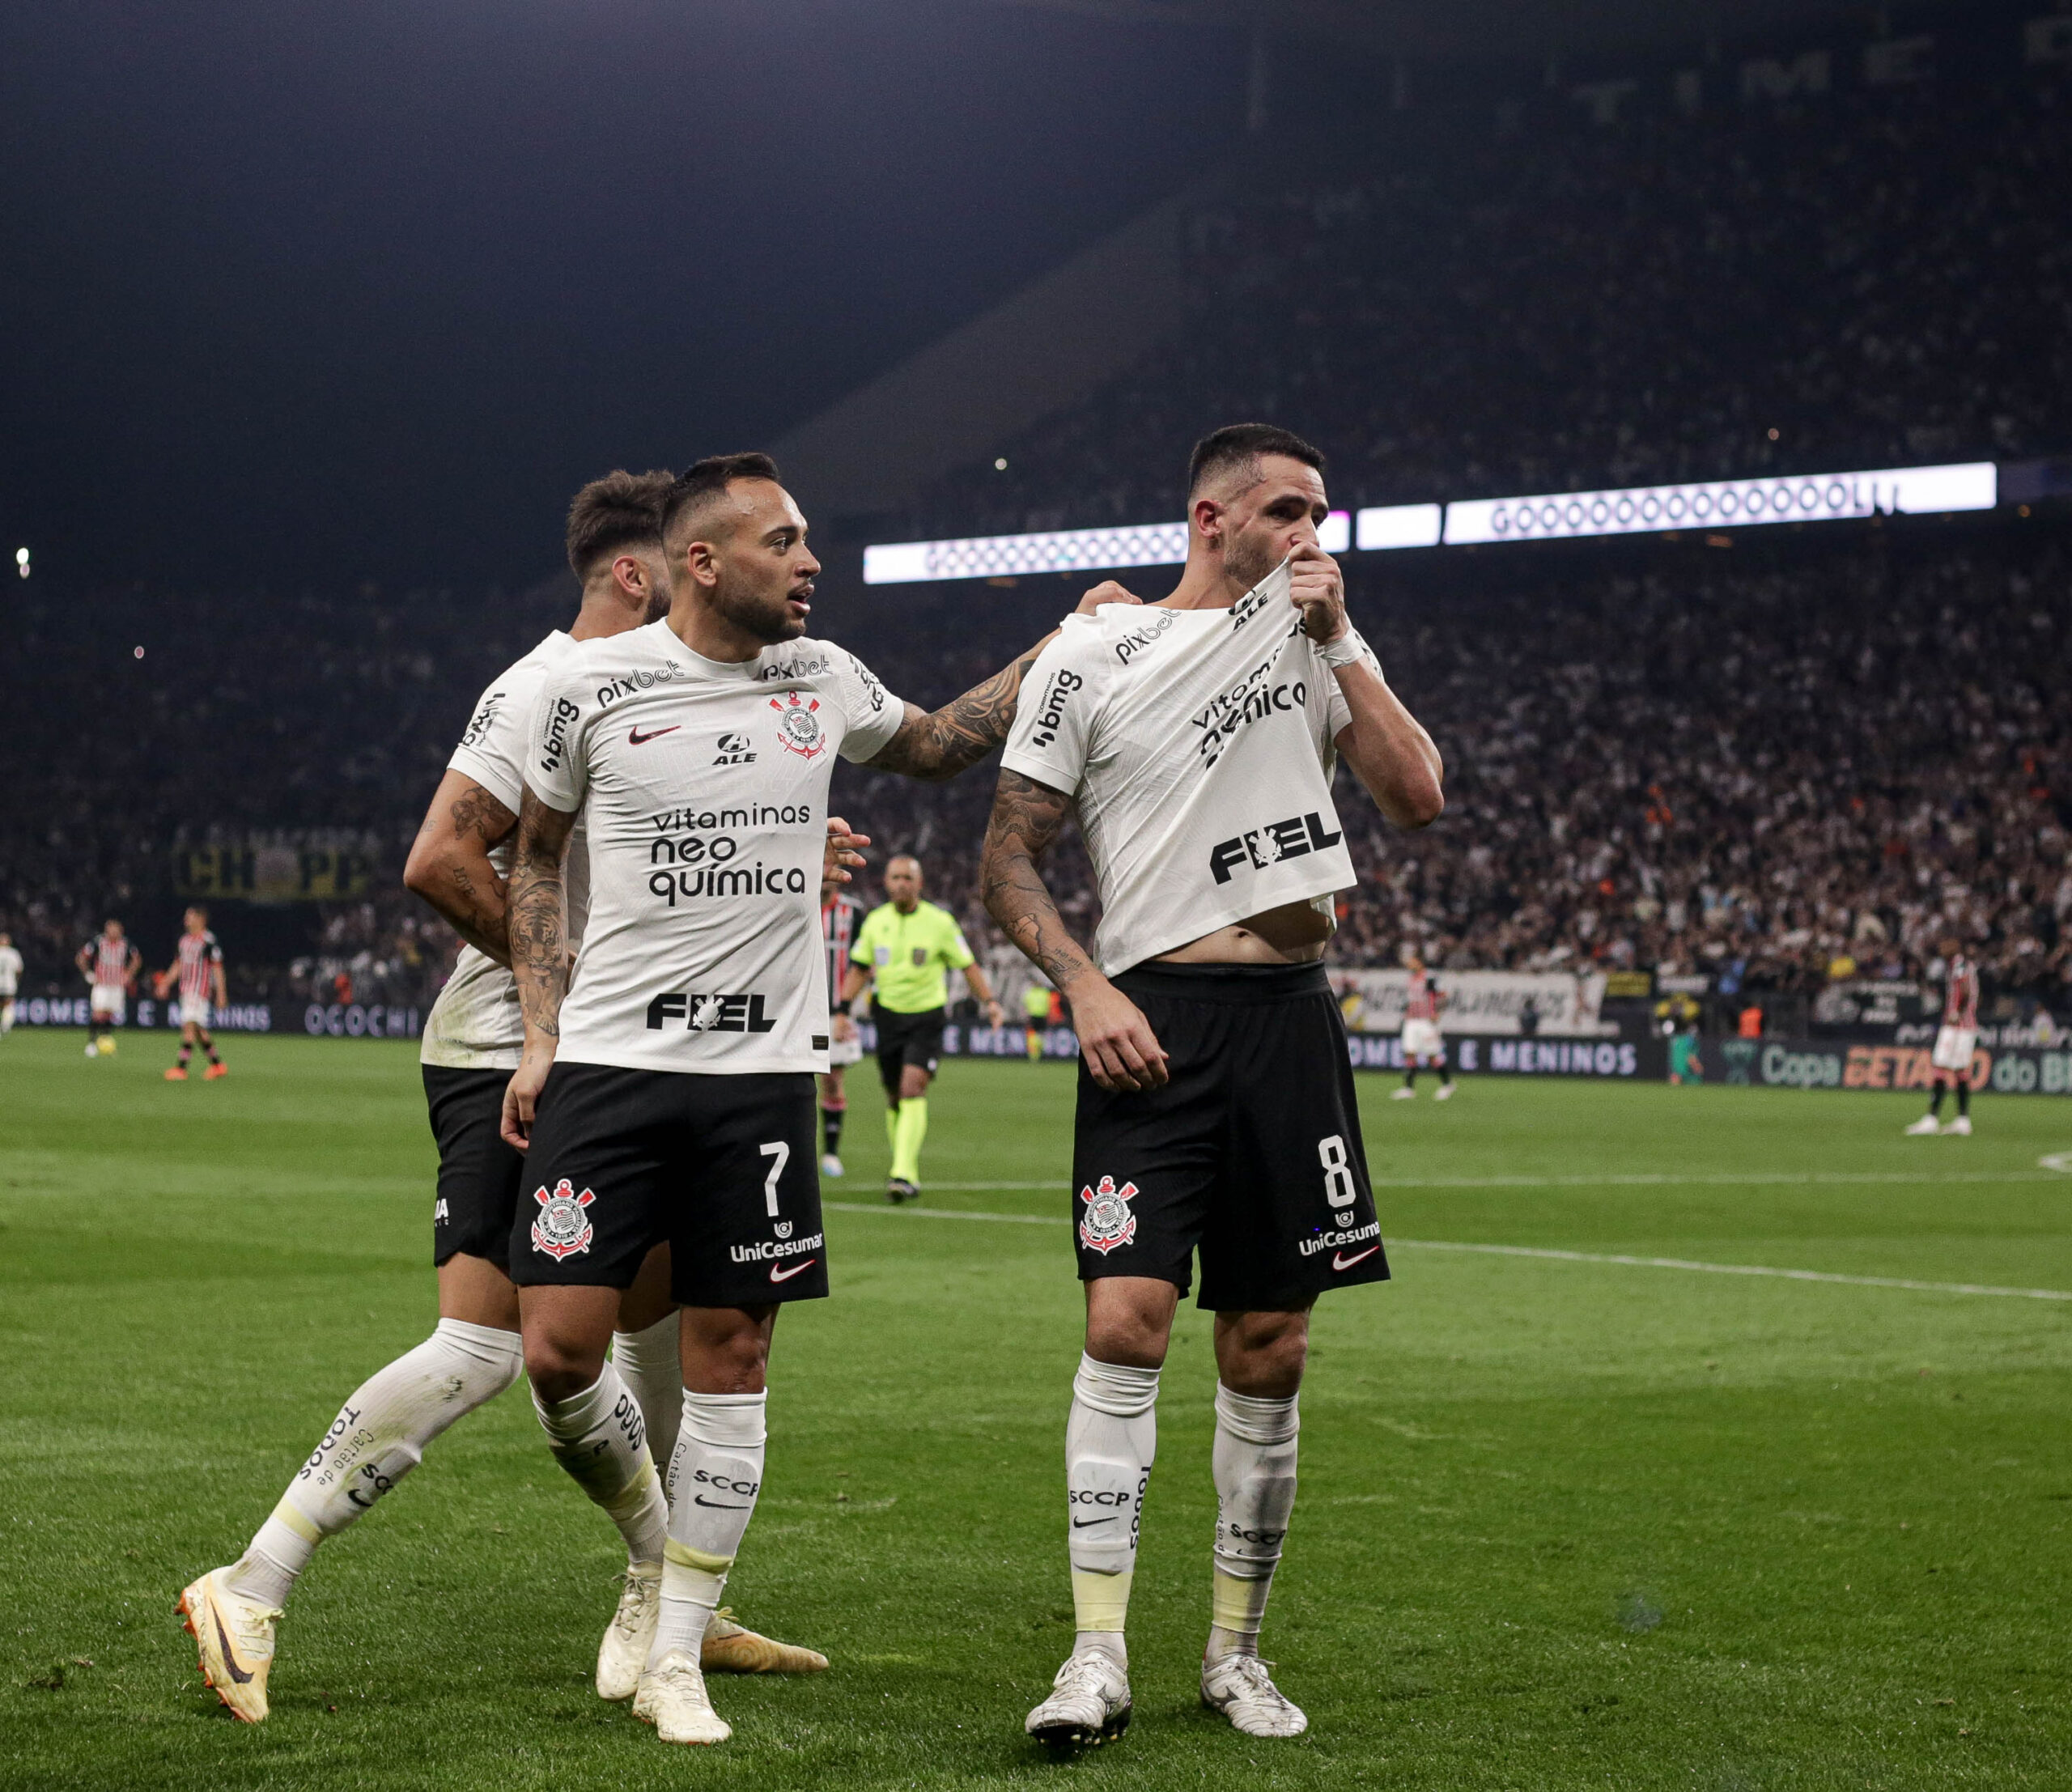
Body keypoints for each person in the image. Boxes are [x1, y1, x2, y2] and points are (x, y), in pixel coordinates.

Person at [176, 471, 822, 1726]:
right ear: (640, 575)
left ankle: (678, 1596)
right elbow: (438, 857)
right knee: (488, 1344)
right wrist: (569, 1003)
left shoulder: (663, 698)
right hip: (510, 1050)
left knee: (668, 1317)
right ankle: (252, 1581)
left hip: (635, 1058)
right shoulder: (545, 688)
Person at [497, 452, 1083, 1747]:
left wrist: (1065, 638)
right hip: (609, 1064)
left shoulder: (820, 678)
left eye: (809, 537)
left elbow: (935, 744)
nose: (812, 559)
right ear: (703, 559)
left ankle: (677, 1647)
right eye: (785, 539)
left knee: (735, 1357)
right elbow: (535, 859)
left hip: (760, 1080)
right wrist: (539, 1034)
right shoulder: (586, 686)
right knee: (554, 1352)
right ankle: (657, 1565)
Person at [981, 423, 1443, 1747]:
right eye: (1288, 508)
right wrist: (1082, 981)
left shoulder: (1313, 638)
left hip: (1291, 1025)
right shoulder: (1093, 651)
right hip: (1154, 1020)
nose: (1313, 529)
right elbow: (1009, 854)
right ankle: (1095, 1652)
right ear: (1210, 517)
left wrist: (1344, 635)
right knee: (1125, 1320)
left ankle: (1236, 1650)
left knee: (1271, 1342)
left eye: (1322, 509)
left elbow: (1418, 794)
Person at [840, 854, 1006, 1202]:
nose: (901, 883)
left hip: (926, 1017)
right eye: (895, 877)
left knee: (912, 1088)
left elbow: (968, 965)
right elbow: (859, 968)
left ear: (919, 884)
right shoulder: (875, 922)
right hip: (886, 1016)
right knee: (894, 1096)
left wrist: (990, 1002)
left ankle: (903, 1173)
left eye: (907, 878)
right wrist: (842, 1009)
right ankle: (903, 1167)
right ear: (886, 883)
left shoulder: (940, 922)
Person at [1907, 939, 1979, 1136]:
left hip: (1957, 1026)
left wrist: (1957, 1012)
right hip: (1966, 1026)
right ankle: (1963, 1120)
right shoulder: (1963, 965)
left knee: (1940, 1067)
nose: (1940, 947)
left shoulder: (1959, 965)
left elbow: (1964, 990)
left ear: (1954, 947)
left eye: (1945, 944)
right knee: (1960, 1071)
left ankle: (1932, 1119)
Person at [818, 878, 864, 1177]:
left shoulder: (854, 912)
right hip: (796, 1008)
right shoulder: (796, 900)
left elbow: (864, 962)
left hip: (836, 1010)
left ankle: (831, 1153)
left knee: (833, 1080)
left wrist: (847, 1011)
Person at [158, 906, 228, 1081]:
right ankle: (218, 1065)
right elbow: (178, 965)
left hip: (200, 991)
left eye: (189, 917)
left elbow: (218, 969)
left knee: (189, 1026)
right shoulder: (184, 941)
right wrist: (165, 982)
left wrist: (221, 994)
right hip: (186, 991)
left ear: (201, 919)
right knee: (198, 1031)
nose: (186, 920)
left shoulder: (209, 941)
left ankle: (181, 1068)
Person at [1391, 951, 1452, 1100]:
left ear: (1419, 962)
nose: (1409, 964)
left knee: (1432, 1055)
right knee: (1410, 1053)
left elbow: (1444, 996)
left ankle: (1447, 1084)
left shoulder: (1429, 977)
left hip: (1426, 1022)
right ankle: (1408, 1088)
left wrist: (1437, 1013)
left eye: (1411, 961)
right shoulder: (1411, 979)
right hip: (1411, 1020)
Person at [77, 917, 138, 1057]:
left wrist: (128, 974)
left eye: (116, 928)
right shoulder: (98, 942)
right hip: (102, 984)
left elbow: (137, 959)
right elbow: (81, 957)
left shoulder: (126, 944)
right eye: (111, 928)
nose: (113, 931)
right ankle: (91, 1044)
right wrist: (88, 974)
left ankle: (105, 1044)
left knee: (109, 1014)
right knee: (98, 1013)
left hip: (117, 985)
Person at [1023, 975, 1055, 1063]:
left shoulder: (1031, 993)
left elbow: (1026, 1005)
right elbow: (1049, 1004)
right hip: (1040, 1016)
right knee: (1040, 1035)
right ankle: (1037, 1054)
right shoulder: (1044, 992)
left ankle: (1035, 1055)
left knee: (1034, 1036)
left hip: (1036, 1016)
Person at [0, 930, 22, 1035]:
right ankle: (5, 1027)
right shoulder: (13, 953)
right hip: (9, 984)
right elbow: (19, 970)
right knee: (8, 1005)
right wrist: (16, 981)